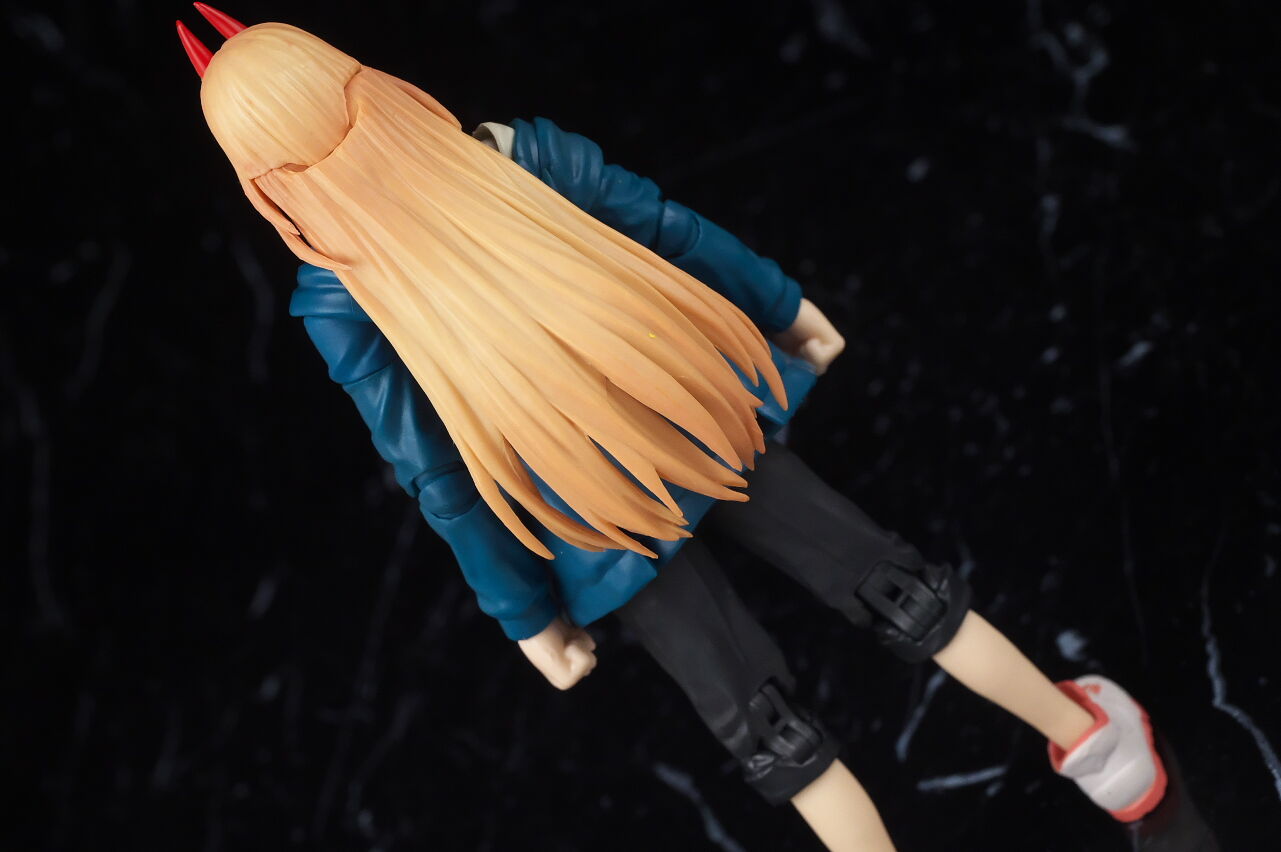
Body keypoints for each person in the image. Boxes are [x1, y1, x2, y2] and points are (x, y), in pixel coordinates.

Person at [179, 8, 1168, 849]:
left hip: (597, 528)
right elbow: (665, 225)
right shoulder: (514, 156)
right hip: (691, 418)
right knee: (897, 588)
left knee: (772, 735)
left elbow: (435, 474)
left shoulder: (338, 304)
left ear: (265, 187)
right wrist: (786, 310)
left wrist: (530, 622)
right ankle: (1099, 749)